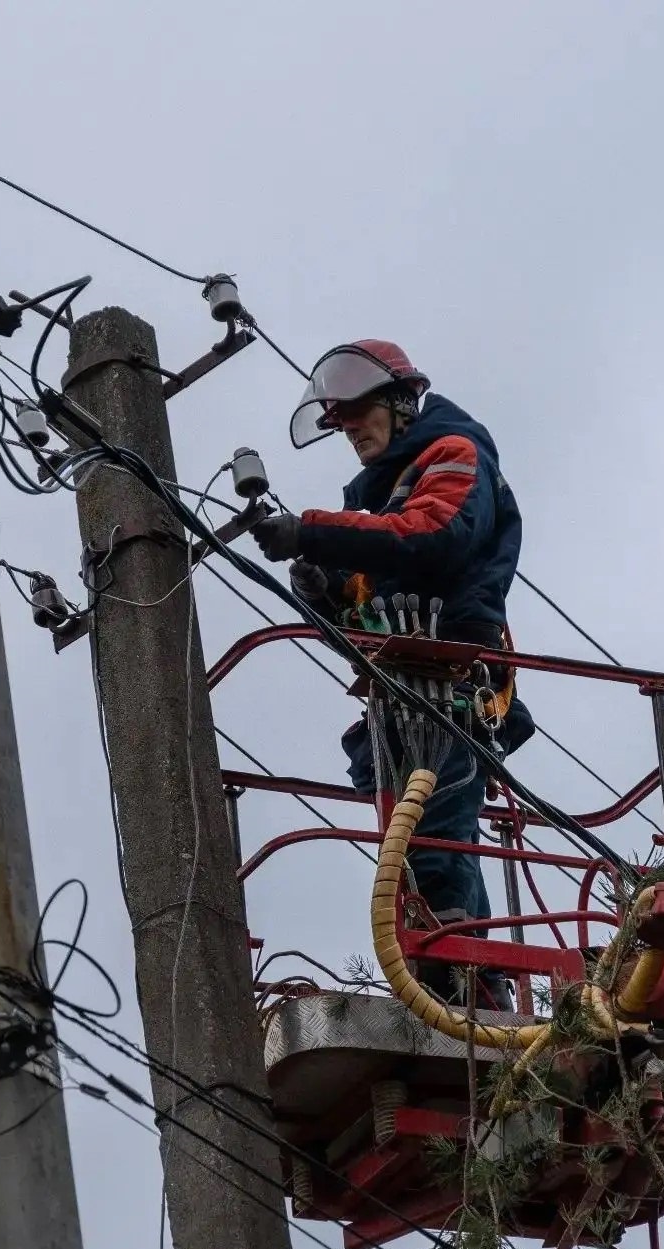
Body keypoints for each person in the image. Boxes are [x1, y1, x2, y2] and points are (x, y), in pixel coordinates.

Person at [249, 339, 534, 1010]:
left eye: (360, 414)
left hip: (453, 678)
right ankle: (472, 978)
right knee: (418, 843)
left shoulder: (453, 453)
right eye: (341, 422)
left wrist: (313, 531)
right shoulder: (378, 501)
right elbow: (369, 601)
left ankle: (454, 982)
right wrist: (322, 587)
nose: (350, 429)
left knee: (432, 843)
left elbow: (435, 537)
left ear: (403, 403)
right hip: (400, 688)